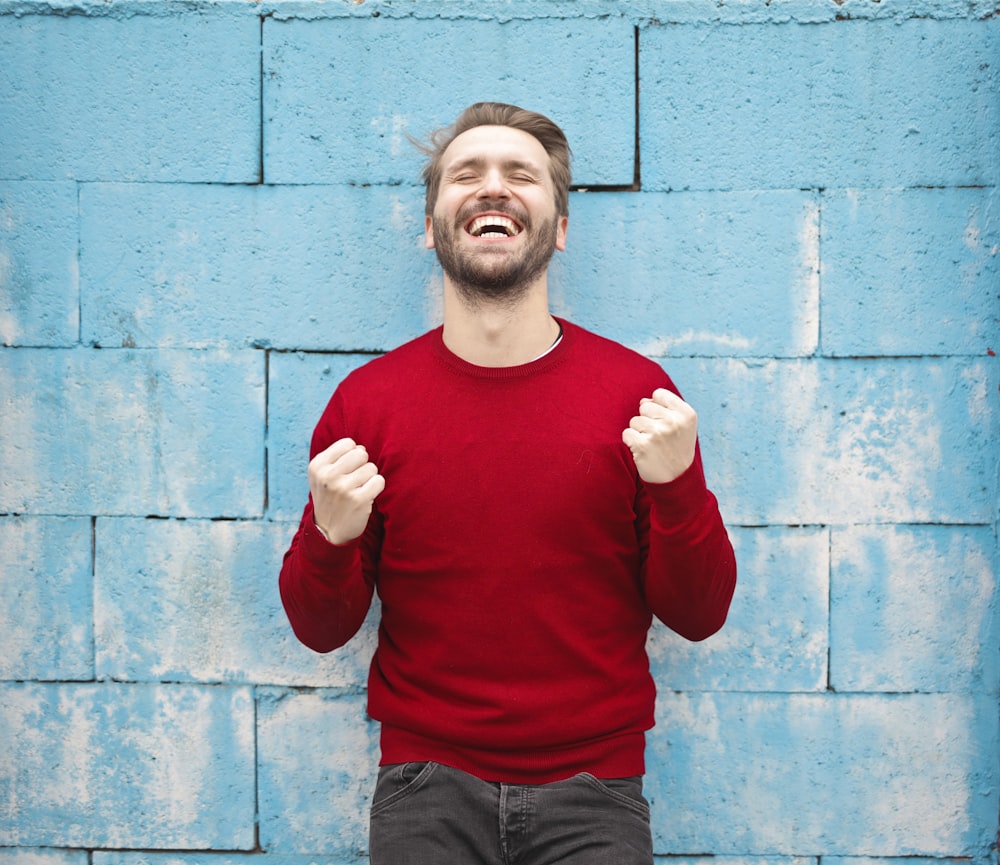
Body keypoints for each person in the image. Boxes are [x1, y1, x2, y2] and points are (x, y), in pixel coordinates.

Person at [279, 102, 737, 865]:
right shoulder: (367, 405)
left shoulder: (639, 395)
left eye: (520, 174)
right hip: (424, 789)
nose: (493, 188)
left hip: (598, 791)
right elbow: (320, 627)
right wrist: (331, 536)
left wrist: (680, 488)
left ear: (558, 227)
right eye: (467, 174)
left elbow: (699, 613)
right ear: (433, 224)